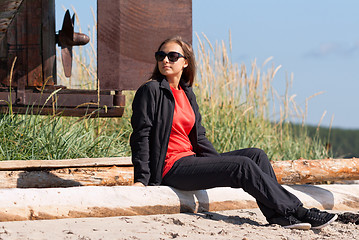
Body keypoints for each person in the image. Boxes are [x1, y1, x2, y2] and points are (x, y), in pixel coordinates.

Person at [130, 36, 337, 230]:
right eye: (161, 56)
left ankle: (279, 217)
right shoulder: (151, 91)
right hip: (171, 168)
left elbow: (199, 137)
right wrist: (142, 178)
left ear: (185, 62)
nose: (165, 60)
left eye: (172, 56)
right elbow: (141, 135)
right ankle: (297, 210)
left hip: (190, 161)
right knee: (242, 165)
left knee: (256, 155)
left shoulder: (187, 94)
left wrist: (217, 163)